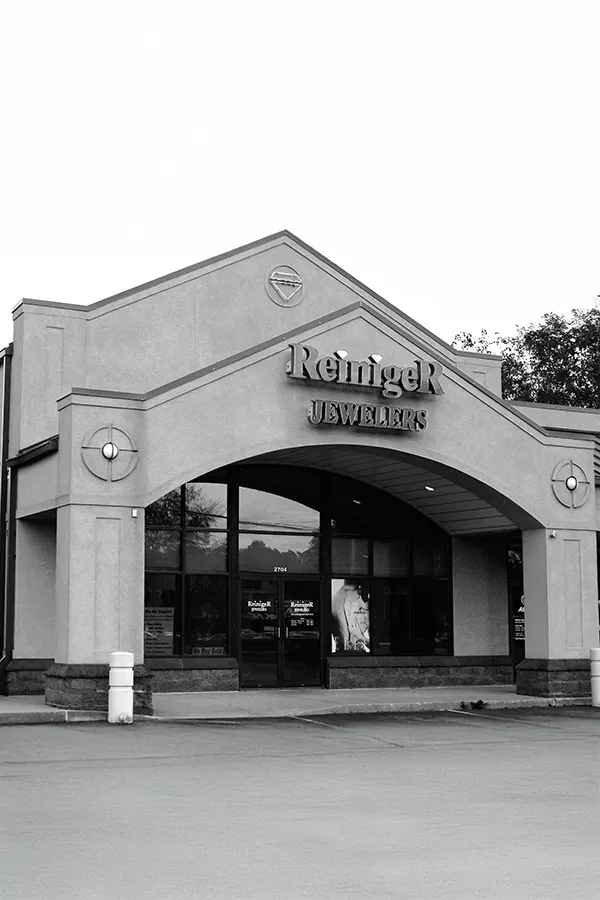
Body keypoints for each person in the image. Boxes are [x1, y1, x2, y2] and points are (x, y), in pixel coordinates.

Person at [331, 579, 370, 651]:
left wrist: (361, 637)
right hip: (341, 655)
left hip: (357, 654)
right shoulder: (334, 605)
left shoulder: (365, 605)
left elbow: (376, 646)